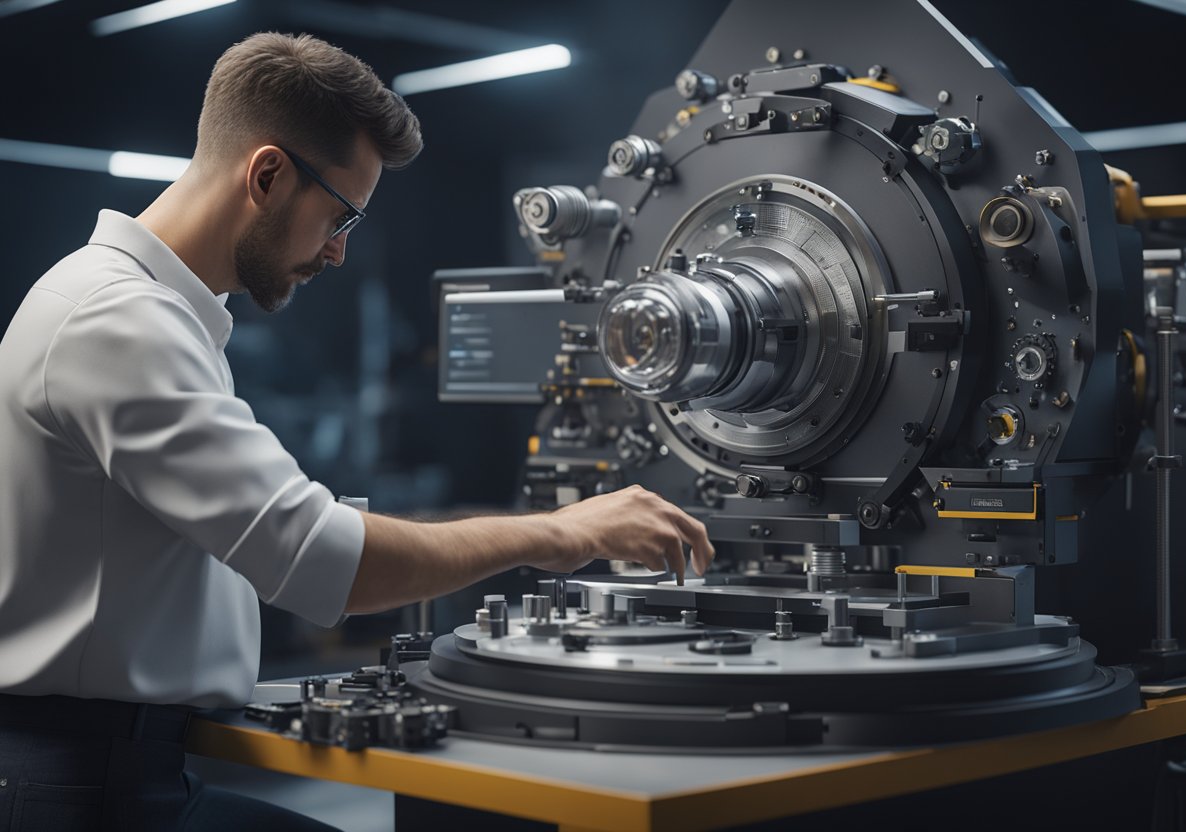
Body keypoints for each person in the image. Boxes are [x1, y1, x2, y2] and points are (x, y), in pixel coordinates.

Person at [0, 32, 713, 831]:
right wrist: (558, 532)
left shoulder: (145, 310)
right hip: (84, 788)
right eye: (341, 214)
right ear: (266, 175)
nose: (339, 250)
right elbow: (323, 561)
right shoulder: (118, 320)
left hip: (125, 764)